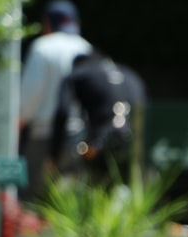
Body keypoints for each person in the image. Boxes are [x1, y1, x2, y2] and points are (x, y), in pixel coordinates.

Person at [18, 0, 93, 202]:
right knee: (66, 203)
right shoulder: (86, 48)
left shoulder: (43, 47)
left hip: (43, 136)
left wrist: (18, 123)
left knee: (34, 202)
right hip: (78, 138)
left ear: (47, 23)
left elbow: (30, 97)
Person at [52, 50, 146, 187]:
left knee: (94, 183)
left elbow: (63, 112)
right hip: (135, 140)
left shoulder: (78, 73)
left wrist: (54, 153)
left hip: (100, 141)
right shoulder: (128, 73)